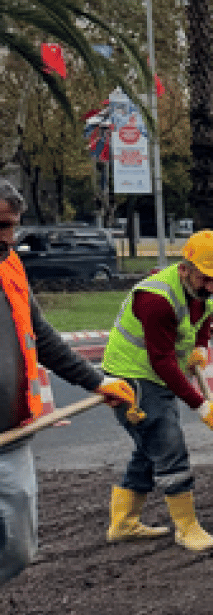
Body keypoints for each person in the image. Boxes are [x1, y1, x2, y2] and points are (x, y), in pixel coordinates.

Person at [0, 179, 137, 585]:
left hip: (11, 439)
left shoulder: (10, 265)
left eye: (12, 226)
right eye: (1, 226)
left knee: (18, 548)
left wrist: (96, 382)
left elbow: (40, 336)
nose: (9, 238)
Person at [100, 230, 213, 552]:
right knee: (168, 446)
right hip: (131, 379)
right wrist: (200, 404)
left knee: (150, 447)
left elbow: (203, 317)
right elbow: (161, 361)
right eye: (206, 279)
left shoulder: (199, 289)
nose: (212, 287)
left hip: (156, 376)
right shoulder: (156, 299)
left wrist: (199, 347)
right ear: (185, 269)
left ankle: (123, 523)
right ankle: (187, 528)